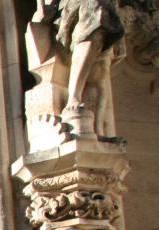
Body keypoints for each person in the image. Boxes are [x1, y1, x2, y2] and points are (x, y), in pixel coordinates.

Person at [37, 0, 125, 134]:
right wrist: (42, 7)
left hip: (105, 10)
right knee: (95, 13)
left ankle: (98, 130)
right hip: (70, 10)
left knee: (101, 70)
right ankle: (74, 98)